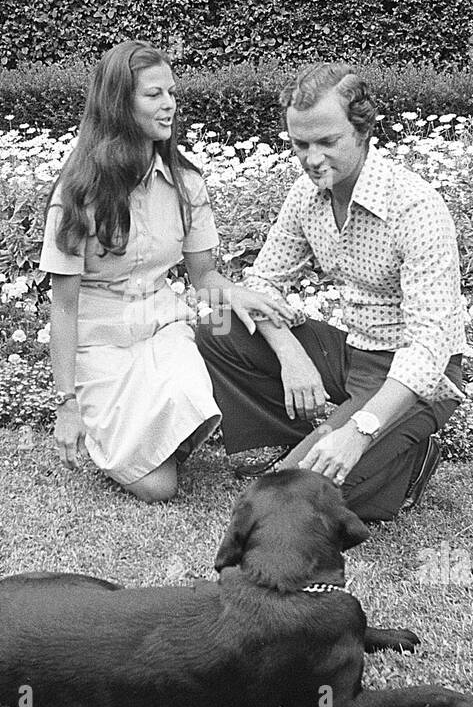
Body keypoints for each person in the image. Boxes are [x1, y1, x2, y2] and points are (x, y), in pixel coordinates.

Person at [195, 61, 467, 523]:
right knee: (216, 325)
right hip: (349, 351)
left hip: (414, 376)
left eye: (327, 142)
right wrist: (290, 354)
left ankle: (402, 459)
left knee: (288, 504)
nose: (312, 158)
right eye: (301, 144)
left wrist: (359, 431)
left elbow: (429, 348)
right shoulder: (307, 195)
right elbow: (262, 285)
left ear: (363, 131)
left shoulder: (414, 207)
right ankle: (309, 442)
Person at [38, 40, 293, 502]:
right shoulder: (77, 194)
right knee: (158, 487)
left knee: (223, 333)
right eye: (153, 95)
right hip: (102, 344)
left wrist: (240, 300)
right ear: (119, 105)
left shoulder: (187, 183)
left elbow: (205, 279)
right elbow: (65, 306)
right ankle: (122, 430)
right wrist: (67, 405)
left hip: (163, 331)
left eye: (171, 92)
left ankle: (232, 429)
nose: (170, 104)